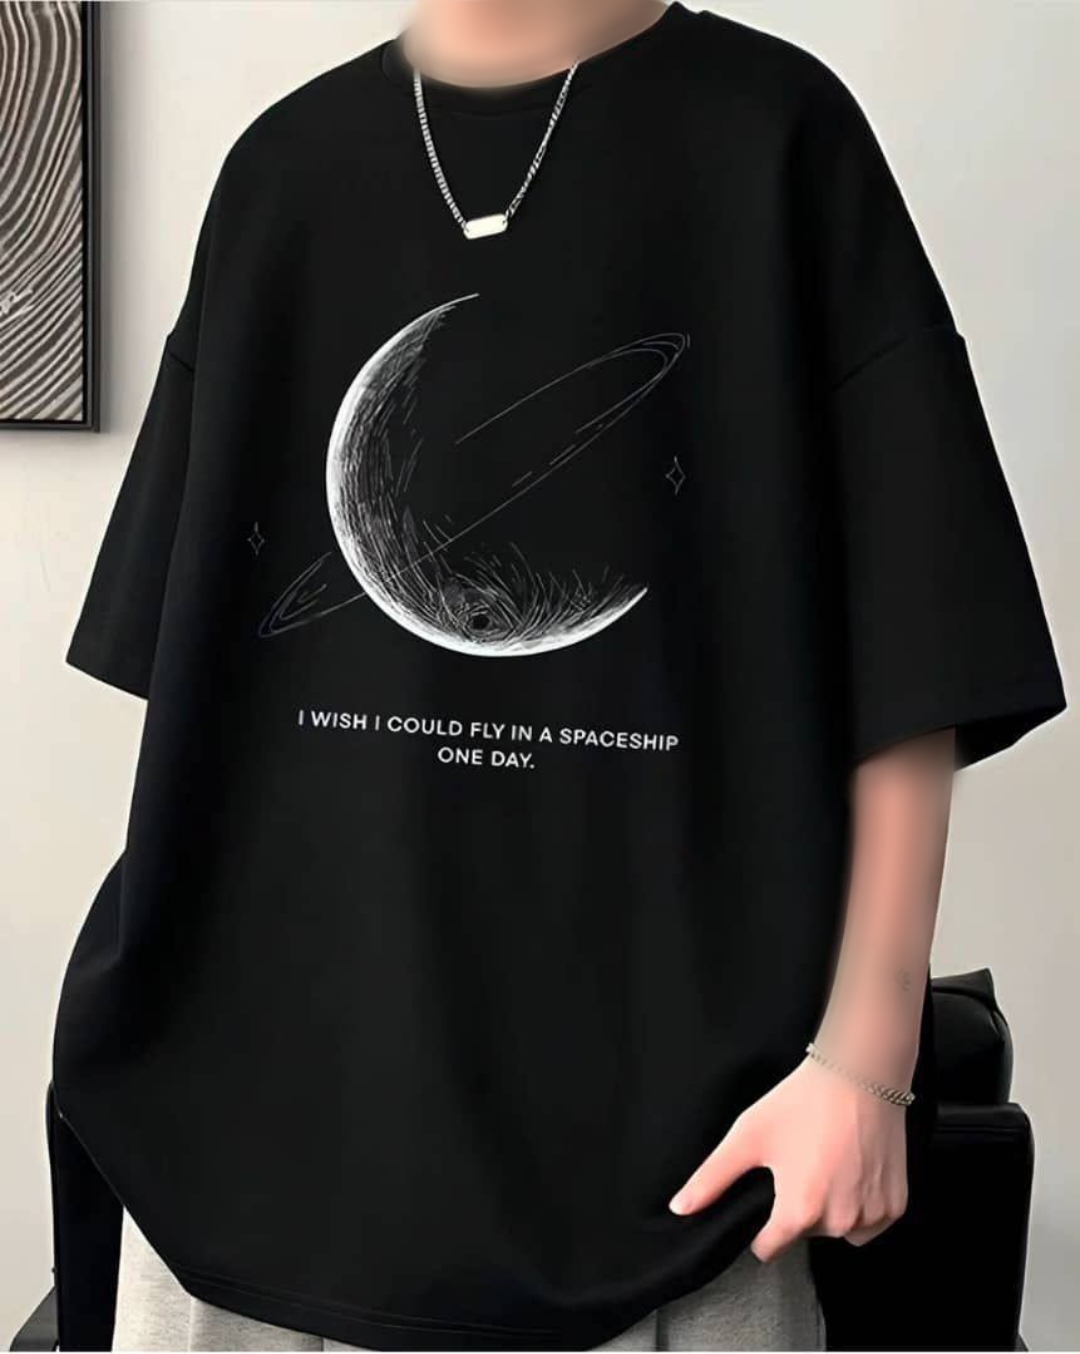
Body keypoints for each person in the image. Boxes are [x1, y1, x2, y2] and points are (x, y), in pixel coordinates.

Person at [55, 1, 1066, 1351]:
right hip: (248, 1150)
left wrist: (868, 1060)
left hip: (676, 1170)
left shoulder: (776, 138)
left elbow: (917, 634)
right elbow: (200, 682)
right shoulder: (283, 170)